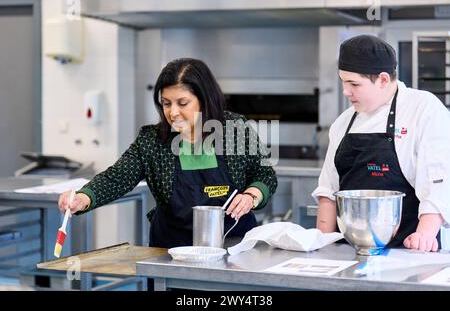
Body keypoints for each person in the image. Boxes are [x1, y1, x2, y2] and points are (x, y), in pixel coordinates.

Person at [58, 58, 277, 248]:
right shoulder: (153, 141)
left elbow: (265, 175)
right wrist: (83, 197)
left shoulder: (234, 129)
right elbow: (117, 177)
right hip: (171, 250)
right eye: (166, 103)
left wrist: (251, 196)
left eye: (183, 103)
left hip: (234, 245)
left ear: (205, 99)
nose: (173, 113)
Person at [312, 34, 450, 252]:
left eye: (354, 84)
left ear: (383, 80)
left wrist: (424, 235)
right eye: (343, 82)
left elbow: (438, 182)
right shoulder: (344, 122)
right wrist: (321, 244)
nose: (346, 92)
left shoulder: (422, 109)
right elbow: (329, 191)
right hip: (347, 251)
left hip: (407, 248)